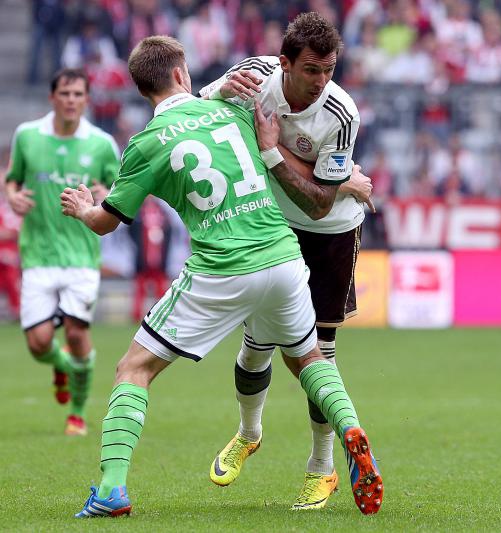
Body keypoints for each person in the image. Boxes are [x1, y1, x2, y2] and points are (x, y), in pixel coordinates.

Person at [63, 35, 382, 518]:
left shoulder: (145, 143)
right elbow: (271, 148)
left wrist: (85, 209)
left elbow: (108, 223)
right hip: (283, 255)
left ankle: (110, 490)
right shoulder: (235, 111)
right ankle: (352, 430)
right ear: (181, 72)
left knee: (134, 369)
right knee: (310, 357)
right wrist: (344, 180)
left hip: (222, 268)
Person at [200, 12, 376, 510]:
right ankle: (248, 432)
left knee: (319, 354)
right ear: (284, 64)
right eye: (312, 70)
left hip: (330, 234)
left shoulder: (342, 115)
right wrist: (216, 94)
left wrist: (272, 153)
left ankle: (322, 468)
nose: (322, 81)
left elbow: (318, 202)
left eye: (330, 69)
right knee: (257, 343)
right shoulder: (254, 77)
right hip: (272, 227)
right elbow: (197, 108)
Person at [5, 68, 120, 436]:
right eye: (65, 93)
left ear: (87, 100)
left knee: (75, 334)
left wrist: (104, 196)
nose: (71, 100)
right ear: (52, 97)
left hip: (82, 255)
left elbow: (117, 192)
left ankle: (77, 414)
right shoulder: (27, 136)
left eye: (78, 94)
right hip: (37, 252)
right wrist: (12, 195)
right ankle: (63, 367)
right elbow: (12, 178)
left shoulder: (101, 143)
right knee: (39, 344)